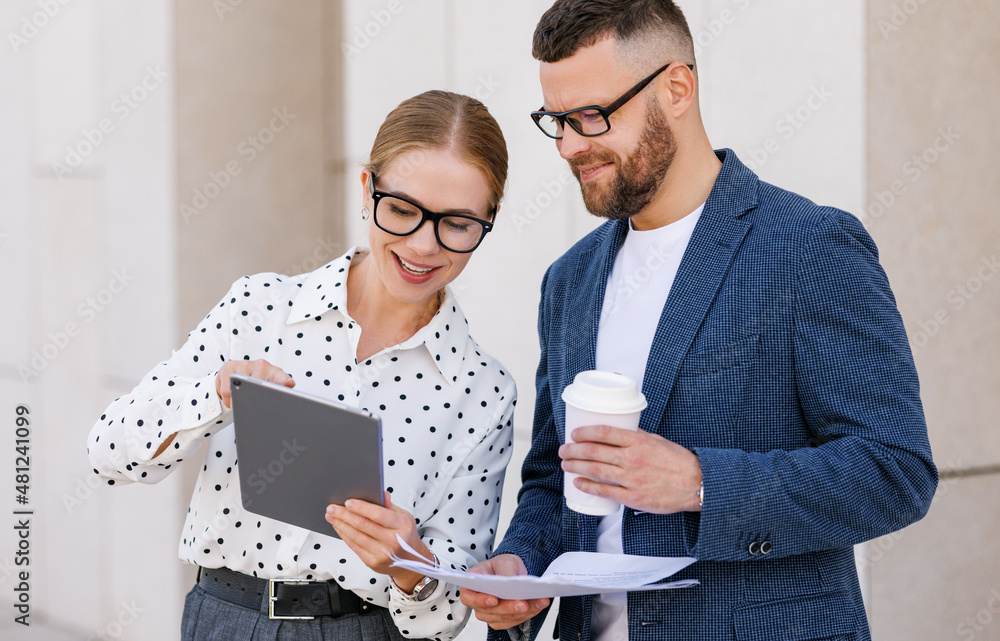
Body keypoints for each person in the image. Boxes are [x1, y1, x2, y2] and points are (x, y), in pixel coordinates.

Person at [460, 2, 937, 641]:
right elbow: (554, 474)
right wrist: (522, 566)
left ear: (677, 88)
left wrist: (702, 484)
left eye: (591, 116)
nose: (570, 145)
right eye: (557, 121)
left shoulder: (810, 248)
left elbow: (895, 470)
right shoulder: (568, 279)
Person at [88, 89, 516, 641]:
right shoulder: (260, 306)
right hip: (225, 620)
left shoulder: (483, 391)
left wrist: (411, 568)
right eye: (403, 210)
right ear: (367, 188)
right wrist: (214, 399)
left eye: (456, 223)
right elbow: (108, 455)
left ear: (490, 218)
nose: (423, 245)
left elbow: (447, 619)